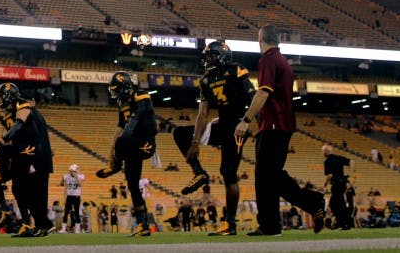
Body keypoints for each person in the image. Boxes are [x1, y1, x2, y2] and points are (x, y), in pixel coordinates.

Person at [235, 25, 325, 236]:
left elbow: (263, 93)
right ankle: (272, 224)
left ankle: (308, 204)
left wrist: (246, 120)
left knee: (267, 177)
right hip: (282, 124)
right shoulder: (282, 60)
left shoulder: (268, 59)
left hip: (273, 125)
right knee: (269, 177)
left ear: (261, 40)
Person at [172, 40, 256, 236]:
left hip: (237, 126)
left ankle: (230, 223)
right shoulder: (206, 79)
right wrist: (195, 142)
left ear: (222, 55)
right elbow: (202, 114)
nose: (208, 60)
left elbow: (253, 98)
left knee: (228, 173)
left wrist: (248, 122)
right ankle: (199, 172)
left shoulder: (236, 70)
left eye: (211, 56)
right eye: (207, 57)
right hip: (221, 125)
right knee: (180, 133)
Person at [96, 71, 156, 237]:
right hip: (131, 144)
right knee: (132, 185)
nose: (114, 92)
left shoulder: (141, 95)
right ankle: (143, 225)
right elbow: (121, 127)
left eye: (116, 89)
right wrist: (112, 152)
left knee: (122, 141)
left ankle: (115, 167)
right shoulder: (121, 101)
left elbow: (135, 119)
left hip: (145, 142)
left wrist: (121, 143)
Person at [0, 82, 54, 237]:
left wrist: (8, 137)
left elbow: (25, 129)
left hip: (35, 155)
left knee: (35, 193)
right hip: (28, 154)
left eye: (1, 97)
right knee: (22, 189)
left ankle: (42, 224)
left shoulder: (23, 106)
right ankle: (41, 224)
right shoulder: (14, 111)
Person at [323, 144, 352, 229]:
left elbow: (330, 175)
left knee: (337, 204)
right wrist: (350, 174)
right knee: (337, 203)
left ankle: (344, 223)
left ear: (326, 151)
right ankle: (341, 222)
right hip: (342, 183)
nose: (323, 153)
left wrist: (326, 183)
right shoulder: (338, 158)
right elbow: (351, 161)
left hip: (336, 184)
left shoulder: (327, 161)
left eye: (323, 151)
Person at [59, 163, 85, 233]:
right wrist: (64, 198)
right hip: (69, 196)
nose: (74, 172)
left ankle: (77, 229)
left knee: (76, 213)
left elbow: (81, 184)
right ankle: (63, 229)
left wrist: (76, 177)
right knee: (66, 213)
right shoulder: (66, 177)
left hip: (77, 197)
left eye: (75, 171)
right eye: (73, 171)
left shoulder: (81, 176)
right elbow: (65, 188)